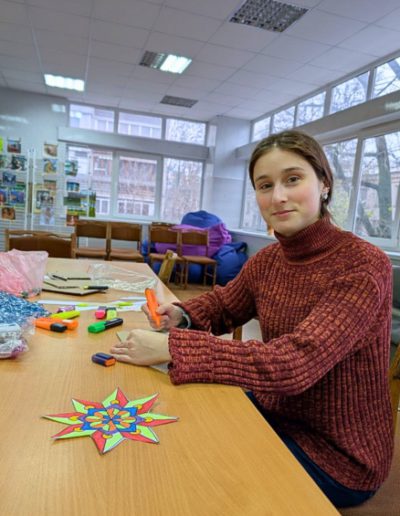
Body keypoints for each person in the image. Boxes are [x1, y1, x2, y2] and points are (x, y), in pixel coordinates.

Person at [110, 130, 394, 508]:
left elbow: (295, 363)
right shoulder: (268, 260)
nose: (278, 197)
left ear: (324, 184)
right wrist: (182, 315)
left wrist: (174, 347)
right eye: (265, 185)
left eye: (293, 179)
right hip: (274, 412)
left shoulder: (363, 265)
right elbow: (224, 306)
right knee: (176, 429)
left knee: (196, 479)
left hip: (338, 455)